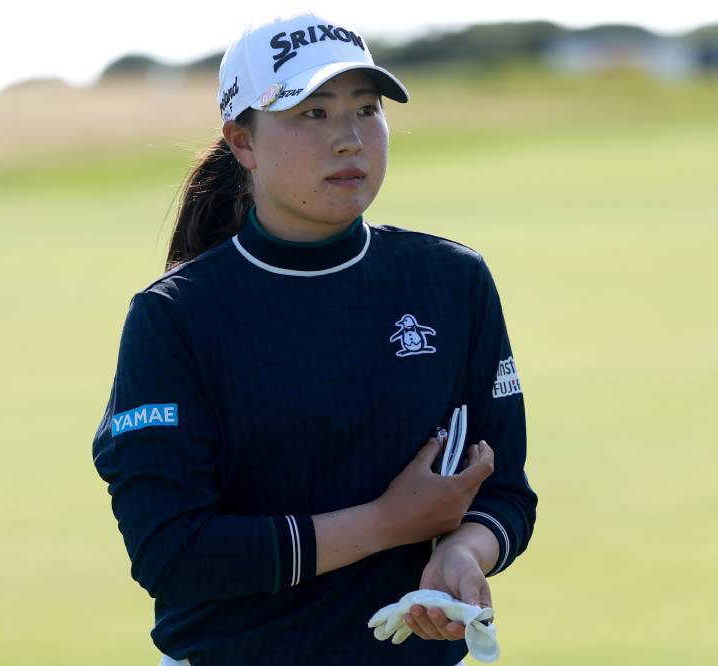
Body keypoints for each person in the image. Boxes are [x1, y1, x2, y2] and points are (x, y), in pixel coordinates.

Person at [91, 11, 537, 666]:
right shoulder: (176, 316)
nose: (350, 139)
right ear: (242, 142)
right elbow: (173, 552)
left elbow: (503, 491)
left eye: (366, 109)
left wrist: (463, 552)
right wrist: (389, 523)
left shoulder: (450, 279)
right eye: (313, 113)